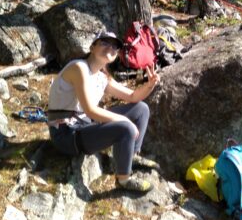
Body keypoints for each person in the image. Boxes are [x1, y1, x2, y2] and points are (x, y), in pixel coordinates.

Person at [47, 31, 160, 193]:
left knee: (141, 109)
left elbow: (133, 96)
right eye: (105, 42)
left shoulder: (102, 77)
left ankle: (130, 155)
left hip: (85, 125)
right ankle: (124, 179)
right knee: (125, 128)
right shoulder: (79, 68)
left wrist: (150, 85)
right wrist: (125, 122)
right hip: (66, 134)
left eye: (115, 46)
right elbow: (90, 110)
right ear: (92, 47)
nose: (111, 48)